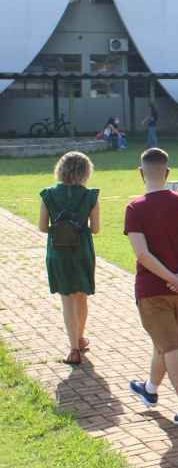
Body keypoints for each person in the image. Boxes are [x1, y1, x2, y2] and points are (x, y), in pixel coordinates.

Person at [125, 148, 178, 427]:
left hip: (151, 290)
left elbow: (142, 255)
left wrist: (173, 277)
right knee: (165, 342)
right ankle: (149, 389)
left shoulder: (135, 208)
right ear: (168, 173)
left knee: (170, 346)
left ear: (141, 172)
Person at [38, 152, 101, 366]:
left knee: (68, 299)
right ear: (85, 171)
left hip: (59, 250)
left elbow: (42, 227)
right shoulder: (90, 195)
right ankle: (80, 339)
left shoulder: (48, 194)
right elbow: (96, 229)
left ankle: (74, 348)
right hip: (82, 249)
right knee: (81, 296)